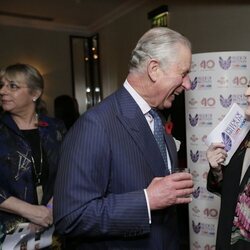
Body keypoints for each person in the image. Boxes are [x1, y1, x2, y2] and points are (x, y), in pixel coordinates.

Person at [53, 27, 194, 250]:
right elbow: (70, 217)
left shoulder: (157, 120)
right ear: (154, 69)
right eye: (183, 73)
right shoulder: (95, 125)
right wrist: (147, 200)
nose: (187, 84)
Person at [0, 63, 66, 245]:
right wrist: (29, 211)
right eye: (2, 85)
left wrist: (50, 209)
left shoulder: (55, 128)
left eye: (12, 86)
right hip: (5, 232)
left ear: (35, 94)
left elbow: (68, 171)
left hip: (52, 228)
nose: (3, 91)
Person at [206, 85, 250, 250]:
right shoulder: (243, 133)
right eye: (248, 86)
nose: (247, 93)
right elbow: (230, 190)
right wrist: (217, 170)